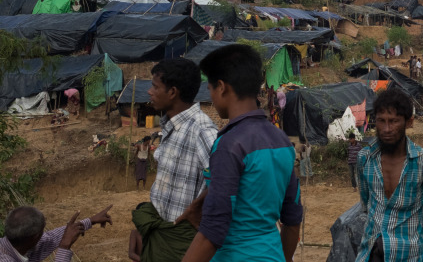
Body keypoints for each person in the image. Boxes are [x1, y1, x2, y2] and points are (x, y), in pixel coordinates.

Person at [181, 44, 302, 262]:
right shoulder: (281, 141)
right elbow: (292, 221)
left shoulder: (229, 144)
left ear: (221, 87)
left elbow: (213, 231)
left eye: (209, 90)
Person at [132, 58, 218, 262]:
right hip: (160, 232)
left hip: (180, 241)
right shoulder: (170, 126)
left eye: (155, 86)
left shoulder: (202, 130)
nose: (149, 92)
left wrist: (196, 207)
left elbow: (225, 181)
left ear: (172, 92)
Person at [355, 89, 423, 261]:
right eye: (381, 121)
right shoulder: (365, 159)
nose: (386, 129)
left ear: (409, 122)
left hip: (411, 255)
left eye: (394, 121)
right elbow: (365, 203)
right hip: (371, 253)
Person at [1, 205, 112, 262]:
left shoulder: (19, 244)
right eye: (41, 231)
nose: (43, 235)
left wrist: (90, 221)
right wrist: (64, 246)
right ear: (34, 237)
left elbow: (49, 238)